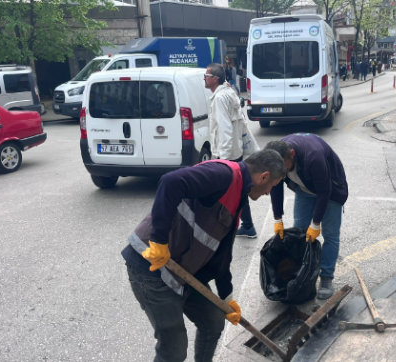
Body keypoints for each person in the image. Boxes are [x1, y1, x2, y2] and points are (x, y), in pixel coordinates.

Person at [122, 149, 286, 362]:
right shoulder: (224, 175)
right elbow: (171, 182)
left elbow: (222, 254)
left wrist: (227, 296)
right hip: (151, 267)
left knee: (214, 321)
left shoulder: (238, 197)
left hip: (183, 271)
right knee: (173, 350)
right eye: (272, 187)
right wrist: (159, 241)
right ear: (263, 176)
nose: (268, 193)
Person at [265, 134, 349, 300]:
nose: (281, 171)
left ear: (292, 154)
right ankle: (301, 273)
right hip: (305, 187)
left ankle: (326, 277)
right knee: (299, 231)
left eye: (284, 166)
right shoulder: (276, 156)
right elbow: (275, 186)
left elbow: (324, 192)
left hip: (330, 190)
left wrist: (316, 223)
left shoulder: (313, 157)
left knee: (330, 235)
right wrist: (277, 218)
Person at [204, 63, 258, 238]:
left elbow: (225, 129)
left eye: (206, 76)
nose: (204, 78)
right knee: (238, 189)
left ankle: (222, 226)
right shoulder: (229, 92)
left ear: (215, 79)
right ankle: (247, 225)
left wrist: (224, 160)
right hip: (236, 151)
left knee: (222, 190)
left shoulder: (220, 98)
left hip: (227, 154)